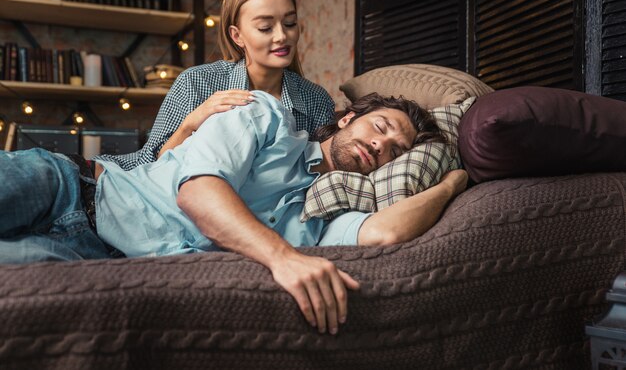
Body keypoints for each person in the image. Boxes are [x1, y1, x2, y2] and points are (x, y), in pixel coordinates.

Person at [0, 92, 468, 336]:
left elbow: (386, 232)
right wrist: (282, 257)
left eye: (395, 152)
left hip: (94, 259)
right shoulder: (265, 118)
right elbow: (199, 192)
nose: (379, 145)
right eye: (380, 127)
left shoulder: (324, 216)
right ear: (348, 118)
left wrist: (455, 181)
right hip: (70, 188)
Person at [100, 0, 335, 171]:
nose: (282, 36)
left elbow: (322, 174)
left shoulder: (316, 100)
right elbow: (151, 167)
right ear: (237, 36)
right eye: (265, 27)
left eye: (290, 23)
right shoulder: (195, 83)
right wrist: (191, 124)